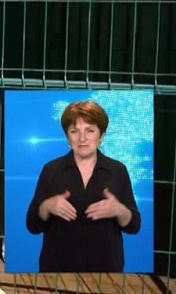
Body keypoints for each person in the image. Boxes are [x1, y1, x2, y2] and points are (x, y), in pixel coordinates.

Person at [25, 100, 141, 273]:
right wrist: (46, 207)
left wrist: (119, 210)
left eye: (90, 130)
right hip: (57, 271)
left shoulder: (118, 171)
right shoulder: (50, 170)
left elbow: (134, 226)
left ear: (101, 136)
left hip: (107, 273)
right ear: (67, 137)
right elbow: (32, 225)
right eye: (74, 131)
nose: (82, 138)